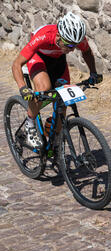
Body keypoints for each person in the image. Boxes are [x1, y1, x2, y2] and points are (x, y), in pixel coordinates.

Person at [11, 12, 102, 149]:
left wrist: (93, 73)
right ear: (59, 36)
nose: (72, 50)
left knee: (64, 100)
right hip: (39, 57)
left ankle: (56, 140)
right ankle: (30, 126)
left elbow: (87, 52)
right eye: (69, 46)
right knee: (44, 88)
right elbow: (16, 64)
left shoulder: (75, 39)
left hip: (58, 60)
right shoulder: (43, 36)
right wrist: (23, 87)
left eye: (74, 46)